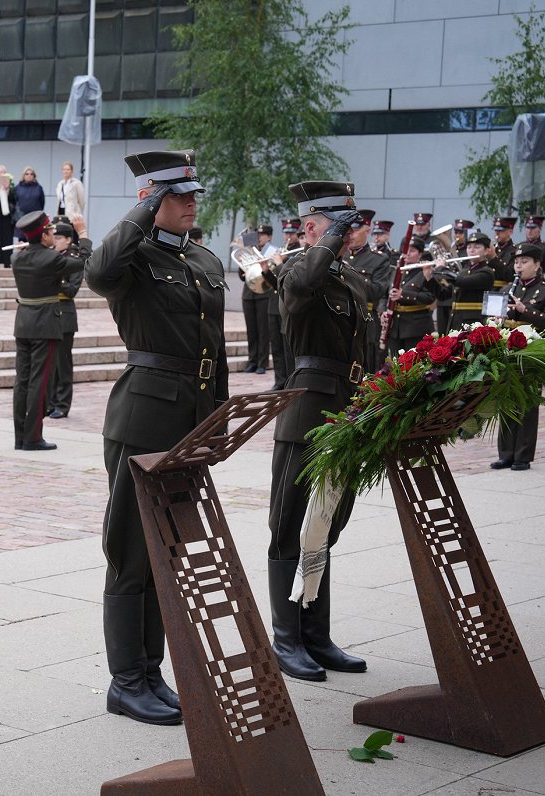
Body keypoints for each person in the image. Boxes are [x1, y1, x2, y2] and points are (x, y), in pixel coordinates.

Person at [86, 149, 225, 726]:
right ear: (151, 200)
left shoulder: (202, 258)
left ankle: (151, 671)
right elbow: (98, 272)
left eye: (195, 194)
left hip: (190, 415)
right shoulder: (133, 258)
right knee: (130, 553)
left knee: (167, 552)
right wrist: (142, 213)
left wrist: (216, 418)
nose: (192, 203)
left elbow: (212, 344)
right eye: (178, 195)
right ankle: (125, 680)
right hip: (143, 416)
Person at [268, 181, 369, 683]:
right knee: (290, 525)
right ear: (311, 226)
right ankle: (285, 639)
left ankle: (316, 634)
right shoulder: (296, 267)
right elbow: (304, 284)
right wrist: (327, 242)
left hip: (348, 408)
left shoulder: (351, 279)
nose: (351, 230)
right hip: (307, 411)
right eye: (339, 222)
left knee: (326, 525)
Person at [11, 211, 90, 450]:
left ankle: (20, 437)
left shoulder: (17, 258)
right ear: (43, 234)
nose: (53, 236)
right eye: (50, 232)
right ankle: (33, 437)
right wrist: (83, 234)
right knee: (39, 383)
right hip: (45, 325)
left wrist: (34, 245)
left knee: (22, 382)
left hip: (23, 323)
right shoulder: (51, 259)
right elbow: (84, 261)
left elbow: (36, 255)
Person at [491, 243, 545, 471]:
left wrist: (525, 311)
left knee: (527, 403)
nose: (519, 266)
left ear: (537, 264)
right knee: (507, 400)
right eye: (516, 262)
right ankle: (506, 453)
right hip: (509, 352)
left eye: (524, 262)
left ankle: (523, 455)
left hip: (531, 353)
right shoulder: (508, 290)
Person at [343, 210, 395, 371]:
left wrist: (348, 275)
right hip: (341, 321)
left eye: (355, 229)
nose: (350, 234)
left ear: (368, 230)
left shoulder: (379, 259)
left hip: (365, 321)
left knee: (365, 373)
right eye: (348, 229)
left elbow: (376, 292)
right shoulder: (339, 256)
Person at [45, 218, 84, 420]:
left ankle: (62, 404)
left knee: (63, 364)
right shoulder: (51, 256)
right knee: (50, 363)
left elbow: (71, 290)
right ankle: (50, 403)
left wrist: (55, 279)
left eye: (59, 237)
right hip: (49, 313)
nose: (56, 240)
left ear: (68, 240)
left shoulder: (74, 259)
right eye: (55, 237)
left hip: (65, 315)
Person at [383, 237, 447, 357]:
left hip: (416, 327)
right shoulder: (397, 270)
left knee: (414, 364)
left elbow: (430, 297)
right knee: (396, 364)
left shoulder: (425, 271)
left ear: (420, 254)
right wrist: (383, 311)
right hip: (395, 326)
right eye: (405, 250)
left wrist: (403, 295)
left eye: (412, 251)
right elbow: (385, 293)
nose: (407, 253)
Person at [265, 219, 301, 390]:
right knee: (277, 348)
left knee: (289, 351)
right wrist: (266, 271)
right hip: (276, 304)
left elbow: (290, 283)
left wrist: (280, 264)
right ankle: (279, 381)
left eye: (292, 233)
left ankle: (289, 383)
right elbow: (278, 284)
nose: (288, 236)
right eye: (286, 233)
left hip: (290, 309)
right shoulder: (282, 251)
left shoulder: (298, 255)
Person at [445, 230, 497, 331]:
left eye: (477, 247)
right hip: (456, 320)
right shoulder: (463, 271)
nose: (472, 250)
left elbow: (462, 282)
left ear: (486, 251)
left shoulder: (487, 272)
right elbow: (444, 294)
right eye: (469, 247)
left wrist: (443, 270)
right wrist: (429, 277)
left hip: (473, 322)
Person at [240, 224, 275, 373]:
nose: (259, 238)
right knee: (251, 330)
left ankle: (262, 363)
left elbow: (272, 274)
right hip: (248, 294)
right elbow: (242, 276)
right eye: (258, 235)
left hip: (264, 294)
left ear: (269, 237)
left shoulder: (273, 252)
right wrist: (244, 269)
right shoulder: (250, 250)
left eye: (263, 235)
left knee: (263, 330)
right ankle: (252, 361)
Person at [12, 166, 46, 240]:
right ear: (23, 176)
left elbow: (42, 202)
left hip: (34, 219)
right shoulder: (18, 188)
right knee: (22, 240)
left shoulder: (38, 188)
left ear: (34, 176)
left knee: (35, 239)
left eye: (31, 174)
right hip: (21, 218)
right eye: (27, 174)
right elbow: (14, 202)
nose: (29, 176)